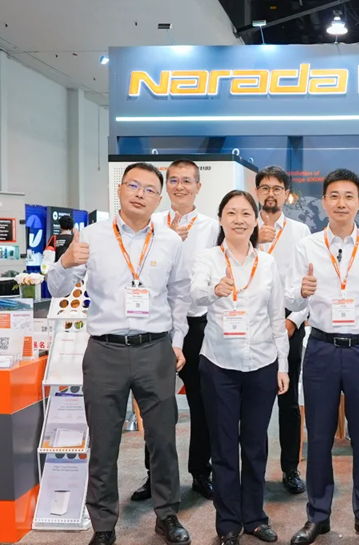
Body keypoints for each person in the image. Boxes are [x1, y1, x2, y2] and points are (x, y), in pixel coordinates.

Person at [47, 162, 191, 545]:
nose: (140, 194)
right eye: (133, 185)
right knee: (104, 442)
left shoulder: (170, 241)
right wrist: (65, 262)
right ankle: (104, 526)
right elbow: (58, 290)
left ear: (159, 199)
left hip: (155, 350)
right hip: (104, 351)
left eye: (149, 189)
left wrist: (177, 341)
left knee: (162, 439)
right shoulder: (91, 237)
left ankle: (167, 515)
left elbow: (179, 295)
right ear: (120, 190)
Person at [285, 168, 359, 545]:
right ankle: (318, 516)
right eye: (334, 196)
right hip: (321, 348)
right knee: (318, 437)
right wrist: (301, 291)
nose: (341, 203)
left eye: (349, 196)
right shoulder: (308, 246)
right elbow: (292, 299)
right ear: (324, 201)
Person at [191, 190, 290, 545]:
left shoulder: (267, 263)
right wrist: (214, 290)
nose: (239, 219)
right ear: (221, 219)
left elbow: (276, 317)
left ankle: (255, 517)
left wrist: (282, 365)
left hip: (262, 363)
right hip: (219, 363)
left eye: (246, 213)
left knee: (255, 445)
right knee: (223, 447)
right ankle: (228, 523)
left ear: (255, 220)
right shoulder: (207, 258)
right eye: (231, 213)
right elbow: (194, 295)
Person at [133, 159, 220, 503]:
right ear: (165, 186)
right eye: (173, 180)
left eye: (187, 181)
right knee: (157, 405)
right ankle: (155, 474)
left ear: (198, 187)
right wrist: (165, 240)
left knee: (202, 403)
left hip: (198, 324)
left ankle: (201, 471)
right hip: (157, 324)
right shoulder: (151, 222)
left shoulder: (212, 227)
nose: (180, 186)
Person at [254, 165, 312, 496]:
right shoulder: (244, 226)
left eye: (277, 188)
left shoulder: (300, 231)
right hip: (250, 321)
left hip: (289, 321)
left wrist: (295, 320)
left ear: (287, 194)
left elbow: (307, 281)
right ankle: (254, 469)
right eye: (265, 187)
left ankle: (291, 468)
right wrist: (255, 241)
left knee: (289, 401)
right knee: (255, 401)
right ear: (257, 192)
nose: (271, 193)